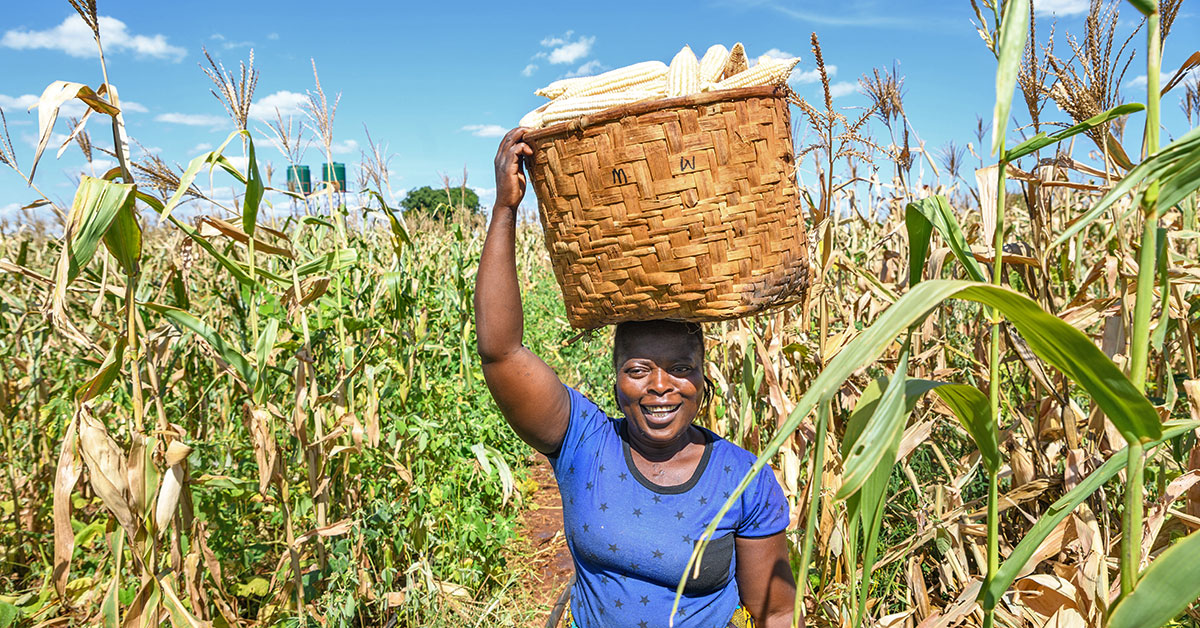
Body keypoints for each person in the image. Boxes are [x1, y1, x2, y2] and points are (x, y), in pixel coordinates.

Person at [475, 127, 797, 628]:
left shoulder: (743, 480)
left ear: (704, 377)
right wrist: (505, 209)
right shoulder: (585, 443)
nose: (661, 386)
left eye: (681, 369)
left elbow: (775, 612)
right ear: (616, 378)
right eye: (638, 370)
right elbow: (501, 352)